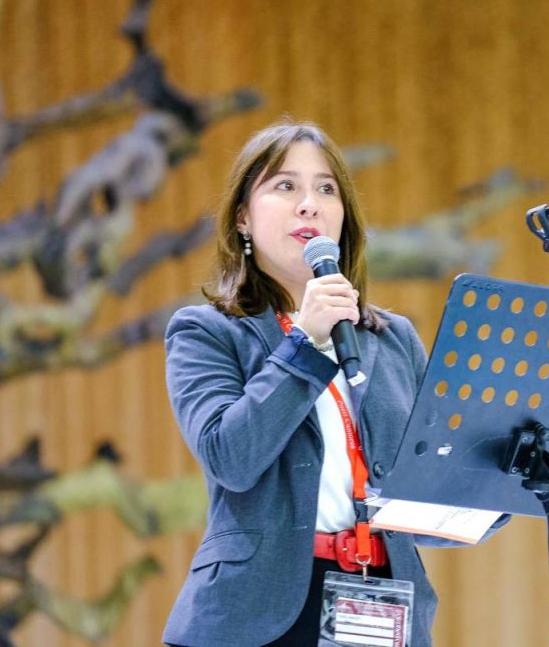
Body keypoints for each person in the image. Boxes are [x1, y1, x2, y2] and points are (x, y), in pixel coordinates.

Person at [162, 119, 493, 646]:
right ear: (243, 218)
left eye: (326, 189)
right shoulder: (207, 332)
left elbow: (423, 488)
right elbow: (232, 457)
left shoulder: (393, 339)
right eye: (285, 186)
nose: (309, 204)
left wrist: (496, 478)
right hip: (258, 616)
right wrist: (307, 342)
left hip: (381, 600)